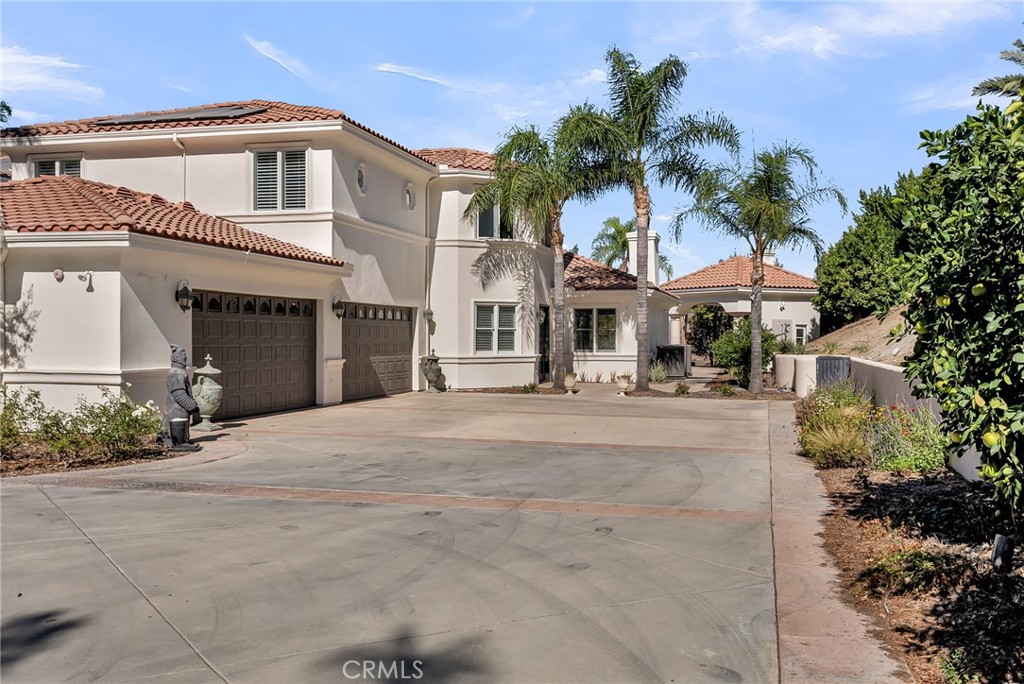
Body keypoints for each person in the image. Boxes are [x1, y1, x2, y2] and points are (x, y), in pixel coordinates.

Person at [163, 344, 201, 450]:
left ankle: (182, 440)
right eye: (183, 355)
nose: (185, 357)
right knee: (177, 424)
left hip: (179, 409)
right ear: (176, 358)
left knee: (182, 424)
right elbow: (179, 395)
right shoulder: (176, 373)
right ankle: (177, 443)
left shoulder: (180, 372)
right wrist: (192, 405)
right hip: (176, 408)